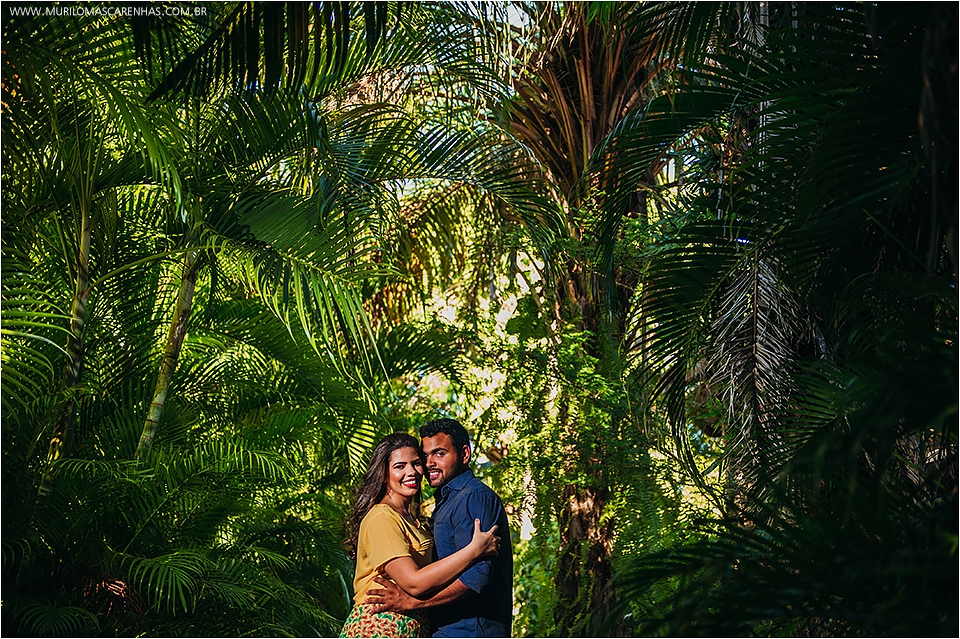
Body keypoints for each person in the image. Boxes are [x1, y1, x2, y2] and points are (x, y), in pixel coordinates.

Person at [340, 432, 500, 638]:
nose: (412, 472)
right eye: (400, 466)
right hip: (377, 628)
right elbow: (413, 582)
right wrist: (474, 550)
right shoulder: (381, 517)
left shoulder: (416, 521)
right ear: (384, 473)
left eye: (416, 463)